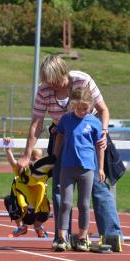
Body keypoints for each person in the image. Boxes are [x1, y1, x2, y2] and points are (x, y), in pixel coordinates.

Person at [17, 54, 122, 243]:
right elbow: (37, 123)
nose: (51, 85)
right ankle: (62, 237)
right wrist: (26, 154)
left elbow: (103, 109)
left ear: (62, 72)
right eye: (47, 81)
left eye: (54, 80)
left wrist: (103, 133)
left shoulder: (83, 80)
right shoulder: (44, 90)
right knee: (60, 190)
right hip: (62, 137)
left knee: (98, 186)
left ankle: (112, 236)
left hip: (89, 137)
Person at [51, 88, 105, 252]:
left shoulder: (95, 122)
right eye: (79, 108)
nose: (82, 111)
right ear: (73, 105)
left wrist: (101, 168)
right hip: (67, 167)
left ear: (91, 106)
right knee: (65, 203)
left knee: (83, 204)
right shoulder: (66, 119)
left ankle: (82, 237)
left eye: (85, 108)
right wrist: (54, 156)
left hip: (87, 169)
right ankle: (62, 237)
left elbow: (100, 146)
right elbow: (59, 136)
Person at [3, 137, 53, 238]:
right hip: (25, 212)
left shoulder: (44, 172)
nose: (31, 161)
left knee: (46, 206)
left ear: (41, 160)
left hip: (39, 212)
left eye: (34, 159)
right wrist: (8, 149)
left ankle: (38, 227)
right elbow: (13, 162)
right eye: (29, 157)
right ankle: (22, 227)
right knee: (8, 199)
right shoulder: (23, 170)